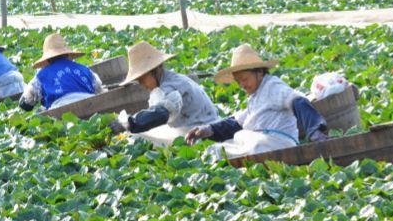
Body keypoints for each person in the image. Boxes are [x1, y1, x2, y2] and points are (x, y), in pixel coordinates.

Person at [185, 44, 329, 158]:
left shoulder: (273, 86)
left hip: (278, 144)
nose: (242, 85)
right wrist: (206, 130)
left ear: (259, 72)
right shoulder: (254, 97)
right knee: (215, 150)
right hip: (257, 143)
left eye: (245, 79)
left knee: (247, 140)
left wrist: (314, 130)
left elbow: (297, 100)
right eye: (238, 81)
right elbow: (236, 122)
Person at [113, 41, 221, 146]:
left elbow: (160, 114)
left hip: (202, 136)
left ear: (157, 69)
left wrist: (128, 123)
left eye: (142, 79)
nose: (142, 84)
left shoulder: (168, 87)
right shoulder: (174, 78)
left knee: (134, 137)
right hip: (208, 128)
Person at [19, 33, 103, 111]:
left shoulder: (42, 75)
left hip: (60, 110)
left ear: (48, 59)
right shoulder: (85, 69)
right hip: (91, 105)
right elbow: (99, 90)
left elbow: (26, 101)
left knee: (39, 112)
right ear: (67, 54)